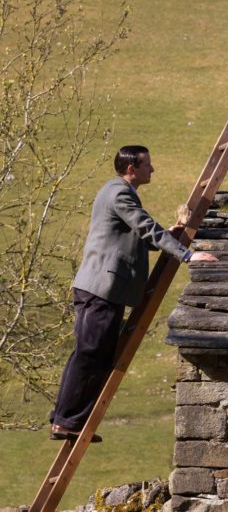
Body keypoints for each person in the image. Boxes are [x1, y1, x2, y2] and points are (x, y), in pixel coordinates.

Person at [49, 145, 218, 441]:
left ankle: (70, 420)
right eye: (147, 165)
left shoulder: (118, 192)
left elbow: (138, 236)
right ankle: (65, 421)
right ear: (131, 169)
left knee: (96, 353)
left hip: (104, 288)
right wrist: (188, 256)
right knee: (90, 353)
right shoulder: (120, 193)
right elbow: (143, 226)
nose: (151, 170)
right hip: (101, 287)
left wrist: (168, 235)